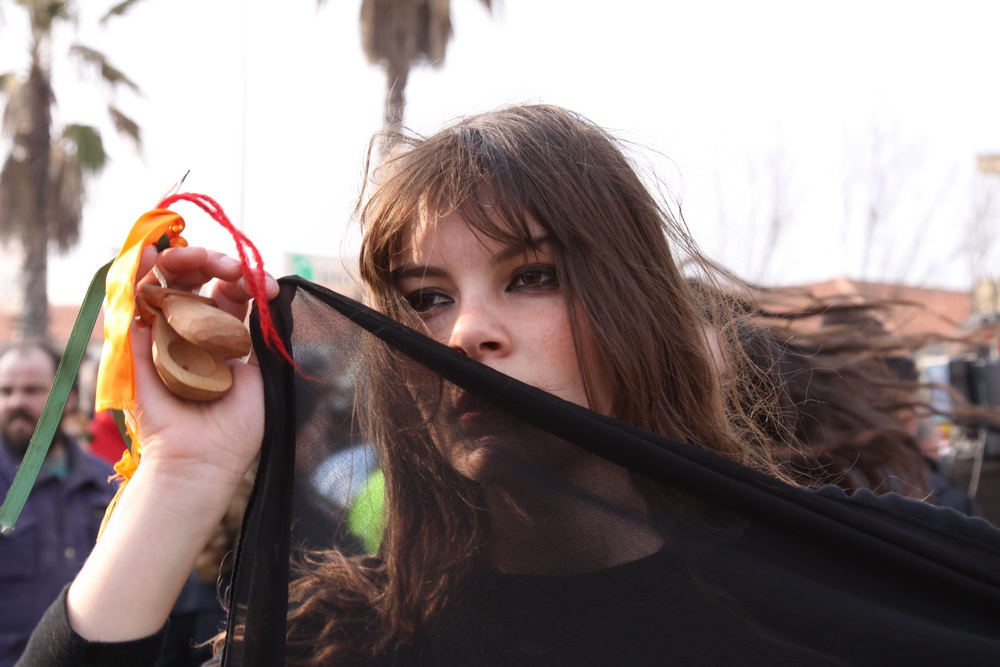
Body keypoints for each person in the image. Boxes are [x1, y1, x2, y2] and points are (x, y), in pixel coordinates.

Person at [18, 104, 1000, 665]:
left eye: (530, 276)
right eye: (423, 297)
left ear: (638, 306)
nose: (467, 330)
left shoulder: (886, 571)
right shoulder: (343, 641)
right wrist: (185, 473)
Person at [0, 340, 116, 665]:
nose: (16, 402)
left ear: (70, 398)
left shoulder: (106, 484)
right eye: (5, 391)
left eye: (33, 390)